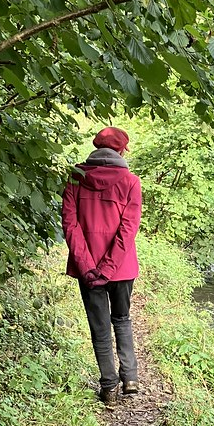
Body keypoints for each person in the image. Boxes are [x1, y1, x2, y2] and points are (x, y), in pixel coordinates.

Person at [61, 126, 142, 407]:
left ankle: (109, 388)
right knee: (121, 318)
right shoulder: (131, 182)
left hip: (88, 270)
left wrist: (88, 267)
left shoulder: (76, 179)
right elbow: (128, 229)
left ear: (97, 148)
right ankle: (130, 378)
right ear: (120, 151)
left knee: (99, 326)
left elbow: (70, 225)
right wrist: (108, 268)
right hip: (121, 268)